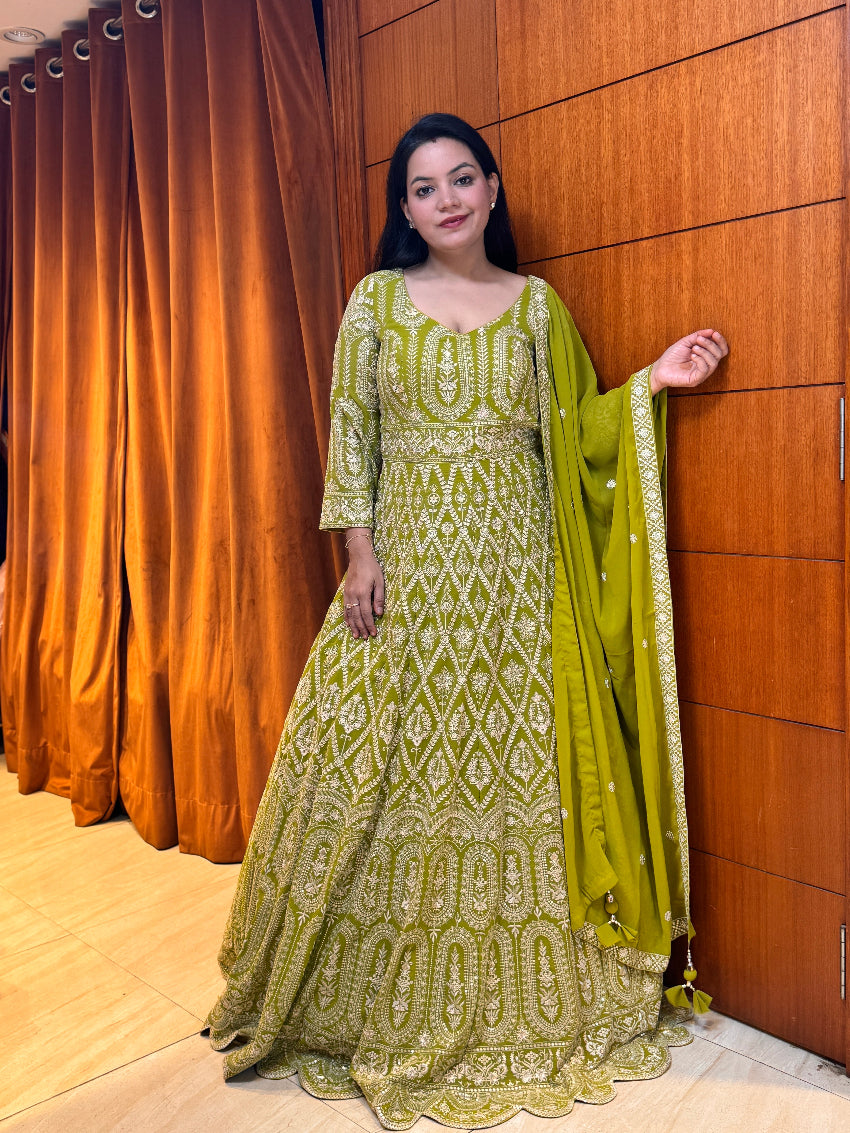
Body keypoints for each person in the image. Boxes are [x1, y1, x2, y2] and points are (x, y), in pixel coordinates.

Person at [203, 113, 728, 1129]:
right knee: (376, 770)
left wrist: (650, 386)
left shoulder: (536, 308)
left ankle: (535, 993)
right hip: (405, 571)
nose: (444, 201)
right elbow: (349, 429)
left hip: (517, 576)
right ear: (402, 208)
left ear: (492, 188)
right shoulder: (374, 303)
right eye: (422, 188)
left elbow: (570, 433)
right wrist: (356, 551)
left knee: (513, 768)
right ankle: (349, 992)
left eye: (459, 180)